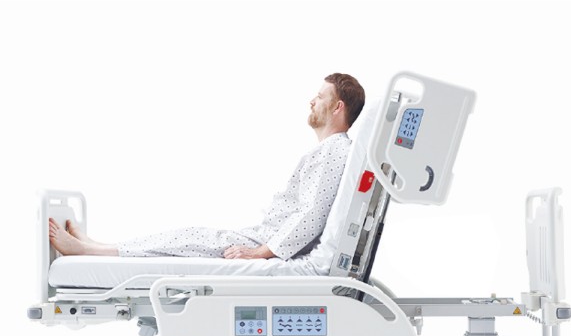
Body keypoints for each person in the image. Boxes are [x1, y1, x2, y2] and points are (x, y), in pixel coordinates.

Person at [49, 73, 365, 260]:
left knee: (189, 238)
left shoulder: (334, 151)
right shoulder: (331, 150)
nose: (311, 101)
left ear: (338, 107)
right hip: (265, 236)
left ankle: (92, 252)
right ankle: (96, 246)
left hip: (266, 242)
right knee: (190, 235)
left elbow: (311, 216)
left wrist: (260, 253)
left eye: (320, 97)